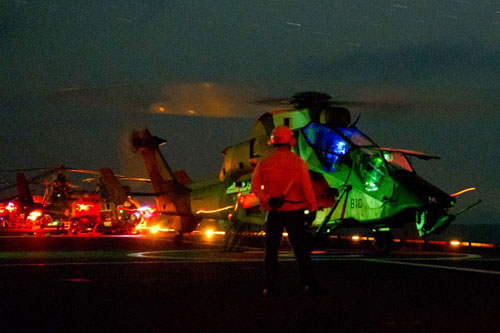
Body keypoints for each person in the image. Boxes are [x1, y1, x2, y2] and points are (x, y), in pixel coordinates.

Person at [251, 125, 324, 297]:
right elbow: (307, 188)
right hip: (295, 211)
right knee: (301, 251)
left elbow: (255, 188)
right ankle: (309, 285)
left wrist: (268, 198)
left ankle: (268, 287)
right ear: (291, 141)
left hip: (273, 212)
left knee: (271, 252)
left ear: (272, 142)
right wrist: (312, 208)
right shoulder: (298, 162)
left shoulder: (265, 162)